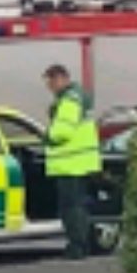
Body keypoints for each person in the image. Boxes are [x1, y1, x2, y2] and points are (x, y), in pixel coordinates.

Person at [43, 64, 102, 260]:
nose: (49, 86)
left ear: (62, 79)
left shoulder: (69, 101)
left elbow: (62, 131)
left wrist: (47, 136)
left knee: (71, 209)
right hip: (79, 162)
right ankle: (81, 244)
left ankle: (77, 247)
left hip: (71, 164)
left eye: (51, 81)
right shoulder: (75, 98)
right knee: (77, 207)